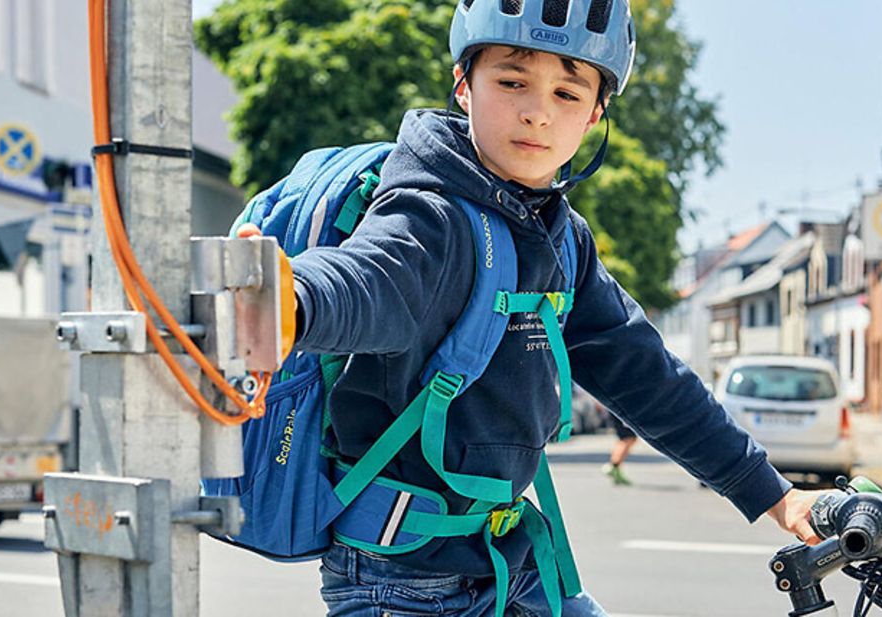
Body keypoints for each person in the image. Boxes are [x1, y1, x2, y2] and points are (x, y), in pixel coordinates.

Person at [275, 1, 825, 614]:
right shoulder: (431, 214)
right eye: (512, 82)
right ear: (465, 85)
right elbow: (372, 279)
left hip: (509, 563)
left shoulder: (561, 238)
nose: (537, 112)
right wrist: (290, 299)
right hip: (403, 582)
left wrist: (776, 495)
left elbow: (646, 376)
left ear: (595, 115)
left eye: (568, 93)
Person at [602, 414, 639, 487]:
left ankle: (616, 469)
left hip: (618, 411)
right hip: (620, 412)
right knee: (628, 438)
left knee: (628, 438)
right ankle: (613, 466)